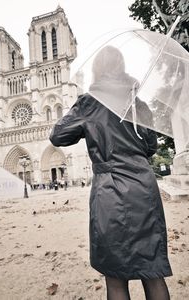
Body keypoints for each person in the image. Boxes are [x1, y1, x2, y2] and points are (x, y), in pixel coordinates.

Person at [49, 45, 172, 300]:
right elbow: (150, 147)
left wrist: (82, 114)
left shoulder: (90, 103)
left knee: (115, 277)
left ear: (98, 70)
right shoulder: (138, 104)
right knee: (153, 273)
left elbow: (58, 136)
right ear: (122, 67)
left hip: (109, 191)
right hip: (143, 187)